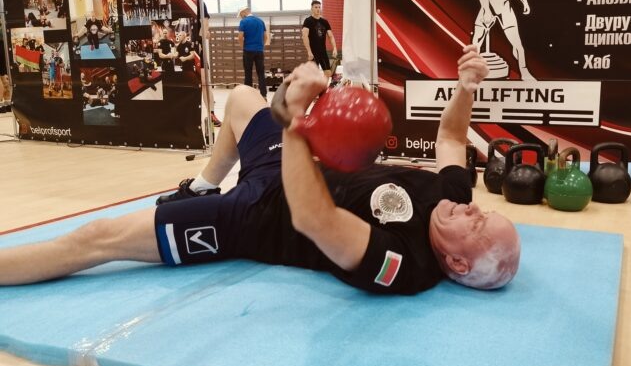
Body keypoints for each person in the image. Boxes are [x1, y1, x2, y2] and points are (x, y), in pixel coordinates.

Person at [0, 45, 520, 294]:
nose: (474, 209)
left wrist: (294, 120)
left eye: (478, 225)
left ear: (456, 263)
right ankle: (201, 184)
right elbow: (452, 139)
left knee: (97, 238)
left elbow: (313, 219)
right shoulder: (451, 197)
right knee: (243, 97)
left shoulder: (404, 262)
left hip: (257, 217)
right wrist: (466, 87)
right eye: (484, 211)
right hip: (292, 169)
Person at [193, 0, 221, 127]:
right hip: (181, 50)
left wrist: (200, 40)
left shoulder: (199, 2)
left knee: (205, 82)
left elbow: (205, 25)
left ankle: (211, 115)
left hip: (197, 50)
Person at [238, 6, 269, 97]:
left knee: (248, 73)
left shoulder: (243, 22)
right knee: (261, 73)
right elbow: (265, 37)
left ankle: (249, 96)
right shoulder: (260, 21)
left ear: (244, 12)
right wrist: (261, 46)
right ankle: (264, 95)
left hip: (248, 50)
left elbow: (240, 37)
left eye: (241, 15)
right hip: (259, 51)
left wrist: (243, 47)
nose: (241, 17)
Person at [302, 0, 338, 78]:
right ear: (311, 8)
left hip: (323, 52)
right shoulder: (308, 21)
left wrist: (334, 48)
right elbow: (304, 36)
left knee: (328, 73)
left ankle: (324, 86)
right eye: (316, 7)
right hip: (313, 52)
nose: (318, 9)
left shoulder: (325, 22)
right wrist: (309, 51)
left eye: (319, 7)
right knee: (313, 75)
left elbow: (331, 36)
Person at [0, 39, 11, 113]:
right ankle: (8, 104)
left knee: (3, 78)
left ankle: (1, 105)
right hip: (3, 45)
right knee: (4, 76)